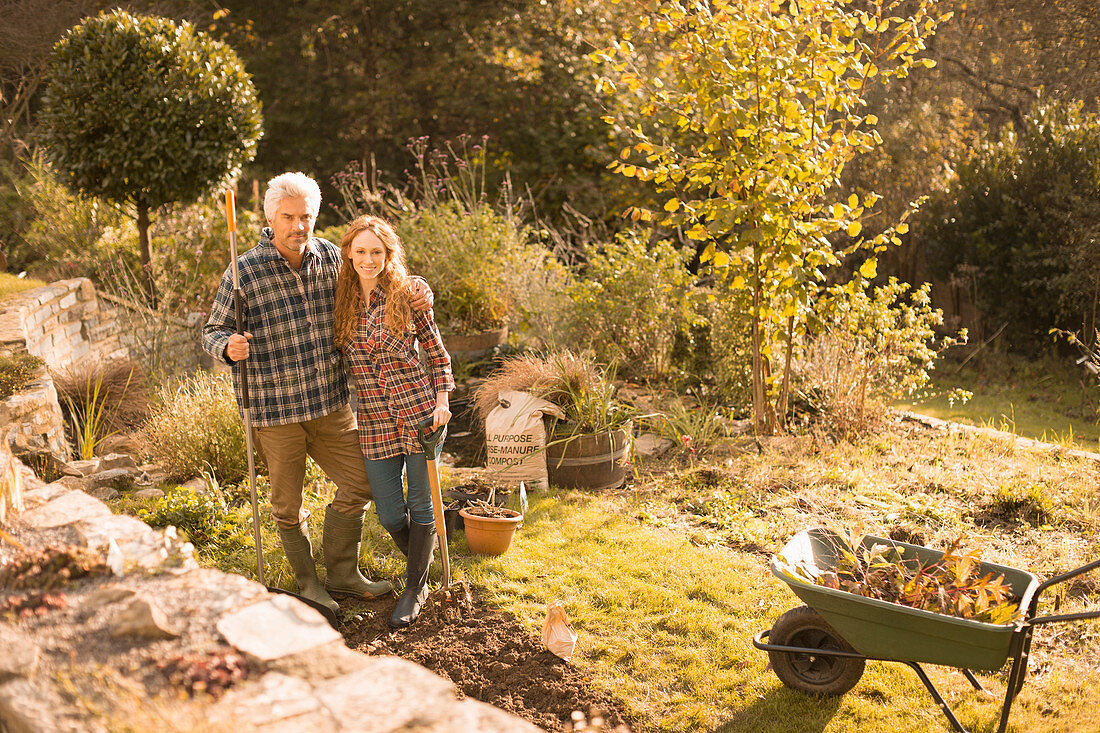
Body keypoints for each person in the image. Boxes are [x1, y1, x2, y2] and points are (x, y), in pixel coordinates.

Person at [202, 172, 434, 615]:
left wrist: (417, 284)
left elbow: (378, 274)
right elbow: (213, 330)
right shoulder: (243, 272)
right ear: (271, 218)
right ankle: (309, 584)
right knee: (287, 505)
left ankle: (344, 572)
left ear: (315, 217)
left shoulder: (332, 257)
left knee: (363, 483)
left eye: (305, 216)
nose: (298, 225)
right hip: (275, 411)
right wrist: (227, 347)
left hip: (330, 404)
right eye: (288, 216)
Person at [333, 214, 453, 628]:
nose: (368, 259)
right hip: (373, 420)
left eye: (377, 252)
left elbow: (437, 355)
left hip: (420, 413)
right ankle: (429, 550)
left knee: (421, 504)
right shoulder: (340, 301)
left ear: (389, 255)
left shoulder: (407, 296)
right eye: (361, 251)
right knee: (388, 514)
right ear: (348, 253)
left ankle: (414, 588)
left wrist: (442, 402)